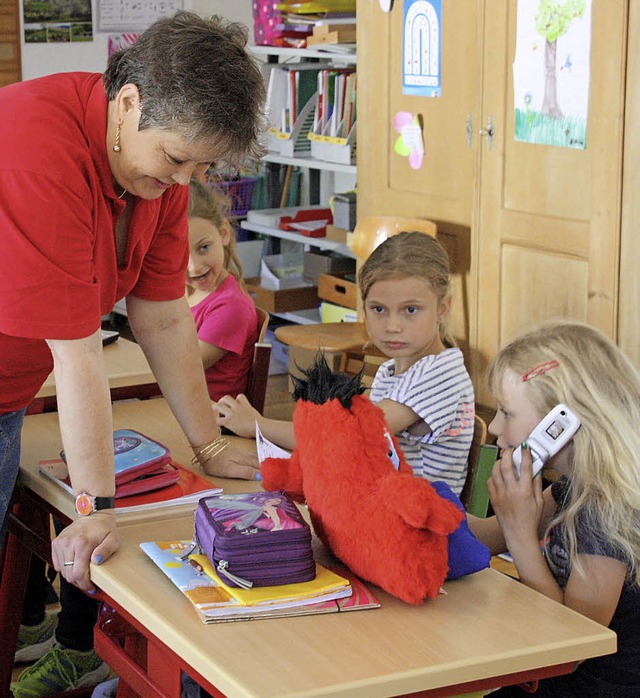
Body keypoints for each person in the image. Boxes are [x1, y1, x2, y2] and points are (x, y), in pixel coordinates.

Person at [2, 11, 264, 696]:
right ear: (127, 103)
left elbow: (165, 318)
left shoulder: (155, 176)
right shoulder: (38, 142)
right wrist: (93, 507)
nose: (185, 181)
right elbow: (78, 353)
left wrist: (208, 446)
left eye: (202, 167)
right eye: (178, 159)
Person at [217, 231, 475, 495]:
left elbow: (346, 436)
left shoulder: (439, 376)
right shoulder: (392, 370)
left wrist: (257, 424)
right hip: (382, 505)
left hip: (418, 526)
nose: (392, 326)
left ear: (443, 308)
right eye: (378, 309)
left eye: (410, 310)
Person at [468, 320, 640, 697]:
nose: (495, 426)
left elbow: (571, 644)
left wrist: (520, 534)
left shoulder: (605, 514)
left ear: (563, 423)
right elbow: (484, 538)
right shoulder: (569, 487)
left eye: (507, 412)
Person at [186, 178, 258, 401]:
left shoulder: (230, 307)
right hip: (176, 406)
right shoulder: (183, 291)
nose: (194, 266)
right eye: (178, 255)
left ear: (224, 233)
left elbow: (184, 369)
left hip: (207, 420)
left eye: (204, 248)